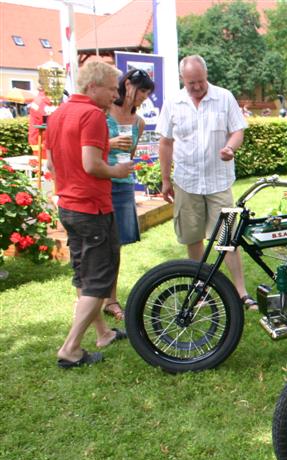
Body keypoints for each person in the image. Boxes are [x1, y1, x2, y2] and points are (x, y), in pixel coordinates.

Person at [47, 61, 135, 368]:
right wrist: (118, 170)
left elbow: (51, 165)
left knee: (84, 274)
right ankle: (70, 348)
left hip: (68, 206)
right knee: (99, 280)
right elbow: (92, 165)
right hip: (92, 209)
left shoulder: (58, 114)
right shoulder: (92, 115)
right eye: (112, 88)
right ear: (93, 87)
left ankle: (103, 333)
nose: (115, 95)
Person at [156, 55, 257, 310]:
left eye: (200, 81)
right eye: (191, 83)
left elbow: (238, 130)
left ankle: (240, 292)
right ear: (183, 80)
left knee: (227, 239)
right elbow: (166, 142)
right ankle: (200, 290)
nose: (197, 87)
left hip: (218, 181)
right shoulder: (173, 102)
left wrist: (231, 147)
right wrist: (165, 179)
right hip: (186, 181)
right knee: (193, 237)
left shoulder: (224, 97)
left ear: (206, 74)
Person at [101, 68, 155, 320]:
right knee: (101, 243)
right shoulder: (104, 112)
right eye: (141, 90)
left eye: (147, 92)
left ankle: (110, 300)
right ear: (127, 85)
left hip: (123, 185)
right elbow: (89, 146)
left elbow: (130, 156)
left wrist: (127, 167)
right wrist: (109, 144)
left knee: (116, 244)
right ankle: (93, 297)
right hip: (100, 182)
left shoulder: (139, 122)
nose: (144, 96)